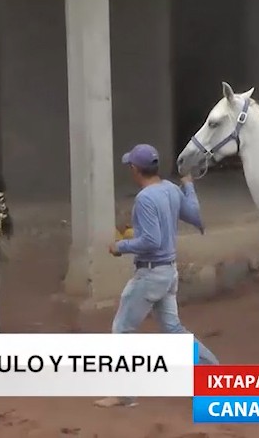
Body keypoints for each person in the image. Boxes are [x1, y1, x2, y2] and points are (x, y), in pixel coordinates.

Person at [95, 144, 219, 409]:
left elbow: (150, 241)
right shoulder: (171, 190)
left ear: (136, 169)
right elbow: (195, 216)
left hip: (150, 275)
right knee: (174, 331)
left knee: (122, 329)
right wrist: (188, 185)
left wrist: (121, 247)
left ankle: (124, 394)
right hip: (168, 273)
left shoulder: (145, 198)